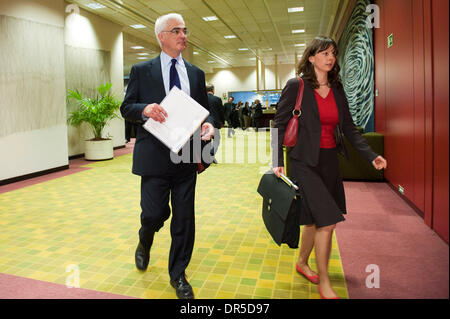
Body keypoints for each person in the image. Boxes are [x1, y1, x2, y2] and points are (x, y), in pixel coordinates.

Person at [271, 36, 387, 299]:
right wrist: (277, 161)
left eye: (333, 53)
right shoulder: (296, 86)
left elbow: (348, 128)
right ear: (311, 57)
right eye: (324, 53)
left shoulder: (337, 88)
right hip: (302, 162)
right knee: (328, 221)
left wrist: (371, 155)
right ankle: (325, 281)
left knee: (313, 220)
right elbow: (278, 125)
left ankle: (302, 263)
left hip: (329, 162)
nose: (330, 57)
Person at [120, 13, 214, 299]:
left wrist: (209, 125)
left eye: (185, 30)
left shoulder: (196, 74)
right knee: (154, 213)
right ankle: (145, 237)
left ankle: (179, 275)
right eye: (176, 31)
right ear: (161, 36)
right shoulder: (141, 70)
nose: (183, 35)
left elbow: (202, 112)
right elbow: (127, 107)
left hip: (185, 156)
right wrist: (145, 109)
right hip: (153, 155)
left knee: (184, 218)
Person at [206, 84, 224, 162]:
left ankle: (207, 157)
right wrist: (222, 122)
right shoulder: (217, 99)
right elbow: (221, 112)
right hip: (215, 123)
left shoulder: (202, 98)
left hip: (205, 123)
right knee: (217, 140)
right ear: (213, 90)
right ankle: (211, 153)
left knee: (206, 140)